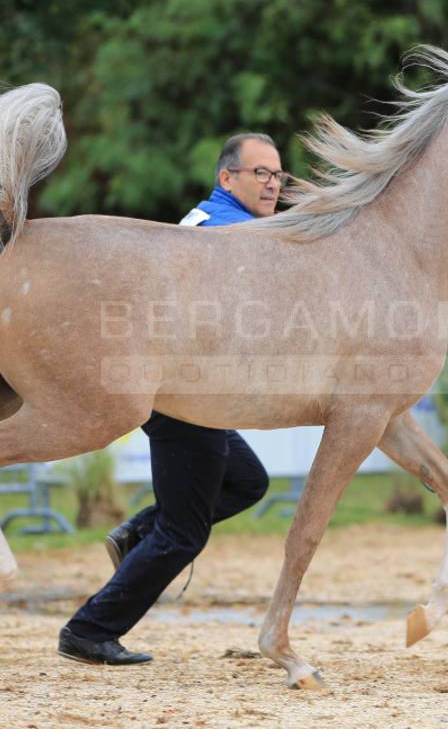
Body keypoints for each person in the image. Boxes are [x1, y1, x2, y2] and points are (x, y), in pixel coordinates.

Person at [58, 134, 288, 665]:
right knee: (184, 533)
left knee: (247, 482)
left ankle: (136, 531)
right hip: (184, 395)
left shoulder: (217, 222)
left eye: (278, 176)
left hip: (189, 392)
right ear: (227, 178)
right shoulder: (231, 232)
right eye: (261, 173)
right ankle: (90, 629)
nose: (273, 184)